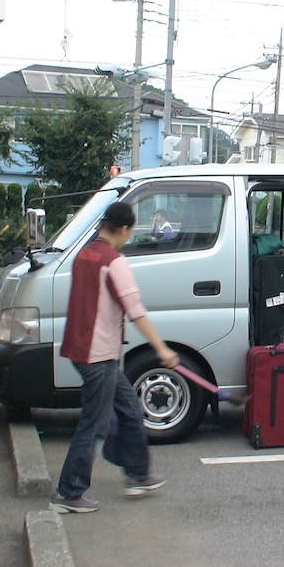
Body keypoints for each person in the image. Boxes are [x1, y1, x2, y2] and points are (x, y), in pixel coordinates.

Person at [50, 201, 180, 514]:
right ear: (123, 229)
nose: (127, 238)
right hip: (98, 354)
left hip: (82, 350)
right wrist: (162, 349)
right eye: (129, 232)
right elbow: (135, 310)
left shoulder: (85, 254)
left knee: (131, 409)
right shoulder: (114, 261)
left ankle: (138, 475)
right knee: (93, 425)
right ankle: (68, 492)